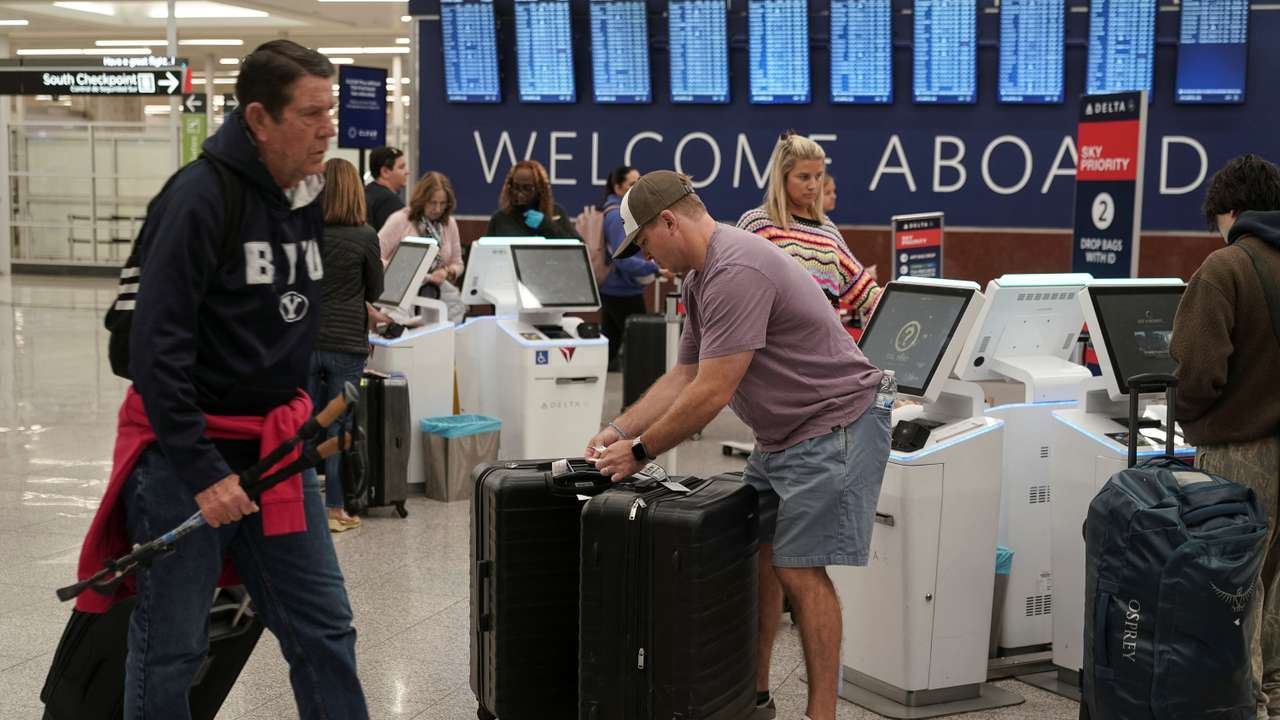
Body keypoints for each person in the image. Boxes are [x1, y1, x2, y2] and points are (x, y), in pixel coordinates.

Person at [77, 40, 368, 719]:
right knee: (172, 647)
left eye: (330, 111)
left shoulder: (305, 195)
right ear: (260, 119)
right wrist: (205, 471)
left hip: (278, 451)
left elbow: (285, 322)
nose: (328, 128)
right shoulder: (198, 199)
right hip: (187, 459)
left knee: (325, 629)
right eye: (312, 113)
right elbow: (154, 351)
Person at [586, 171, 891, 720]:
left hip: (834, 425)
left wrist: (640, 451)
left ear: (669, 222)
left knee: (799, 569)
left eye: (645, 242)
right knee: (758, 557)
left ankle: (821, 715)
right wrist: (617, 429)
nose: (647, 257)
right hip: (781, 435)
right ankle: (754, 697)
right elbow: (683, 376)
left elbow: (713, 391)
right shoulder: (700, 279)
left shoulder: (736, 269)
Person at [1172, 153, 1280, 720]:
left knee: (1234, 587)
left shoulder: (1225, 268)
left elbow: (1197, 370)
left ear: (1230, 211)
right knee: (1275, 585)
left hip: (1241, 452)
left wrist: (1189, 417)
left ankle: (1244, 706)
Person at [737, 132, 881, 320]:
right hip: (774, 336)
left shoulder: (827, 229)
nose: (813, 185)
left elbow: (863, 289)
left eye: (818, 176)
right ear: (783, 177)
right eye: (804, 177)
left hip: (827, 338)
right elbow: (731, 284)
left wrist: (901, 303)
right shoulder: (757, 225)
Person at [312, 158, 383, 532]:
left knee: (301, 422)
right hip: (346, 343)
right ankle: (335, 508)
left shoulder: (306, 232)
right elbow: (376, 290)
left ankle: (300, 505)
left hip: (307, 340)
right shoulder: (365, 235)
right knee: (337, 427)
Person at [378, 170, 467, 324]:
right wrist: (404, 271)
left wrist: (447, 272)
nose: (438, 209)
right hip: (401, 297)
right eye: (433, 203)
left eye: (443, 203)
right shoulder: (400, 220)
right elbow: (375, 256)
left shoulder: (449, 224)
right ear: (422, 199)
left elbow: (458, 263)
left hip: (437, 297)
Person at [599, 165, 663, 371]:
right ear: (618, 188)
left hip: (612, 288)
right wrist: (653, 268)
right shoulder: (618, 217)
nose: (637, 189)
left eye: (639, 183)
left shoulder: (613, 212)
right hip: (623, 291)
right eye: (631, 185)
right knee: (641, 345)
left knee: (610, 345)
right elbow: (623, 259)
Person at [485, 159, 579, 239]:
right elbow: (486, 250)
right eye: (516, 187)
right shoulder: (500, 218)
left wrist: (546, 225)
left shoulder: (555, 212)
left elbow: (578, 247)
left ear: (540, 189)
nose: (520, 193)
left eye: (527, 188)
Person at [364, 145, 407, 231]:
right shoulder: (389, 201)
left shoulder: (365, 192)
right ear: (385, 172)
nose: (407, 172)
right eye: (401, 167)